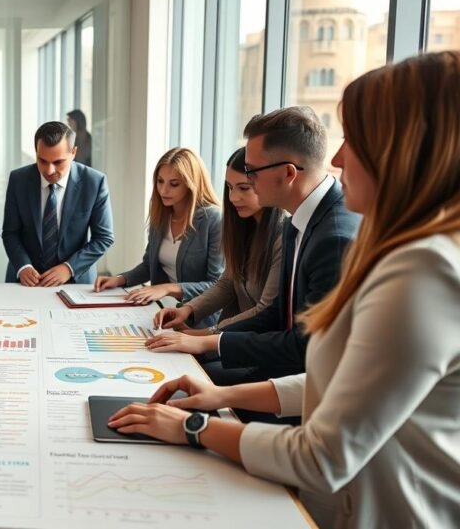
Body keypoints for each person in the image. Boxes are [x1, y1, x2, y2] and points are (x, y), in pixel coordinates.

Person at [107, 51, 460, 529]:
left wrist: (195, 428)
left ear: (404, 153)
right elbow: (338, 385)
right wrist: (216, 397)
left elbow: (320, 456)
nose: (336, 159)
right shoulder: (399, 251)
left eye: (354, 141)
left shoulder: (421, 272)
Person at [145, 107, 360, 384]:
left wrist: (207, 341)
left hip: (301, 387)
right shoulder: (300, 219)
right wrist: (205, 337)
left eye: (252, 172)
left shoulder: (333, 238)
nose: (245, 183)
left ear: (288, 173)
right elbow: (275, 313)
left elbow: (303, 347)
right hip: (282, 369)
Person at [150, 147, 286, 337]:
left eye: (244, 188)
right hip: (232, 340)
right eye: (230, 188)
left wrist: (204, 334)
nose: (233, 198)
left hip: (256, 347)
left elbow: (265, 310)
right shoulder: (243, 228)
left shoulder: (283, 236)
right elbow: (226, 284)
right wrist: (188, 310)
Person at [94, 147, 224, 321]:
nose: (163, 191)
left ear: (191, 183)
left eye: (174, 184)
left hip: (199, 318)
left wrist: (167, 288)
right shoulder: (161, 215)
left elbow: (217, 285)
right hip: (160, 311)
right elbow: (149, 266)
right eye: (160, 181)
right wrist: (119, 279)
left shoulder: (213, 219)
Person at [2, 121, 114, 286]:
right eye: (42, 161)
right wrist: (23, 266)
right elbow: (10, 232)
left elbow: (104, 237)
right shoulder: (18, 180)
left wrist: (69, 268)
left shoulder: (94, 182)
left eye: (58, 162)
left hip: (75, 280)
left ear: (73, 152)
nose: (49, 170)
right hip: (25, 281)